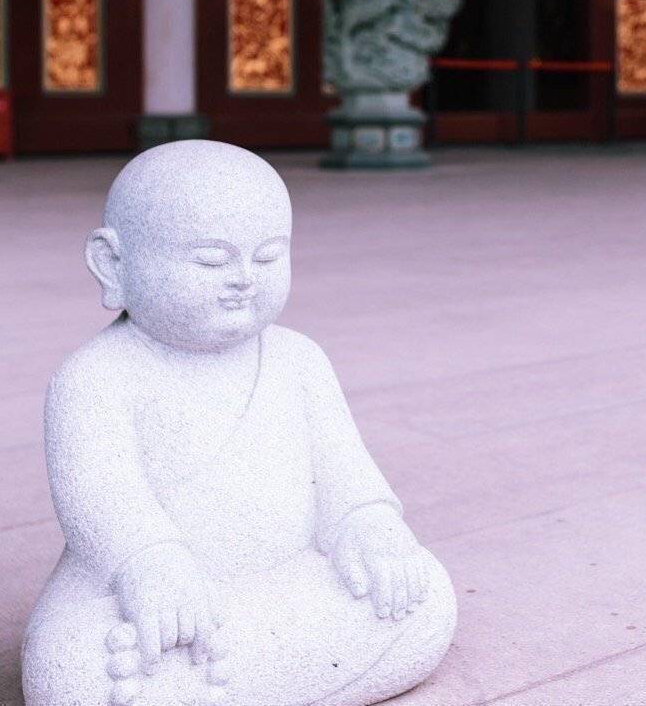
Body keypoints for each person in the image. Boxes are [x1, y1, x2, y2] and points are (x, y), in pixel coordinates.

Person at [23, 142, 457, 706]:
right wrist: (150, 564)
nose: (245, 279)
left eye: (271, 256)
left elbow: (343, 470)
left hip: (288, 582)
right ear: (114, 263)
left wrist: (368, 525)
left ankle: (230, 675)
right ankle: (243, 671)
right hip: (160, 599)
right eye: (211, 260)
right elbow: (101, 498)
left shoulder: (299, 360)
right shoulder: (96, 377)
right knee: (74, 670)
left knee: (424, 592)